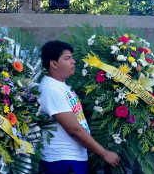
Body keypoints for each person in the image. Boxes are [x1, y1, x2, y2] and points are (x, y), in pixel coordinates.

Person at [38, 40, 120, 174]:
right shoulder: (51, 88)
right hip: (62, 161)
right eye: (67, 58)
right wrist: (104, 153)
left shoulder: (61, 86)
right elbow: (74, 129)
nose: (73, 62)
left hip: (72, 158)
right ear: (53, 64)